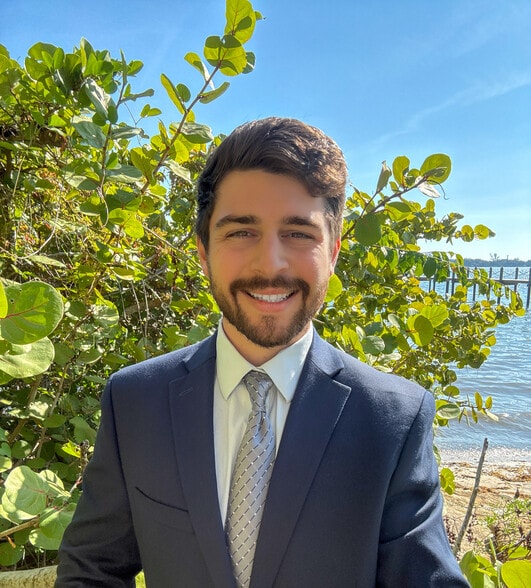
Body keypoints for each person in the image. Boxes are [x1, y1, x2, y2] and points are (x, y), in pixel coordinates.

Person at [56, 117, 469, 587]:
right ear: (203, 250)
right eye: (240, 232)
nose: (270, 264)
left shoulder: (392, 419)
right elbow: (91, 570)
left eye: (299, 233)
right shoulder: (135, 401)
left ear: (333, 252)